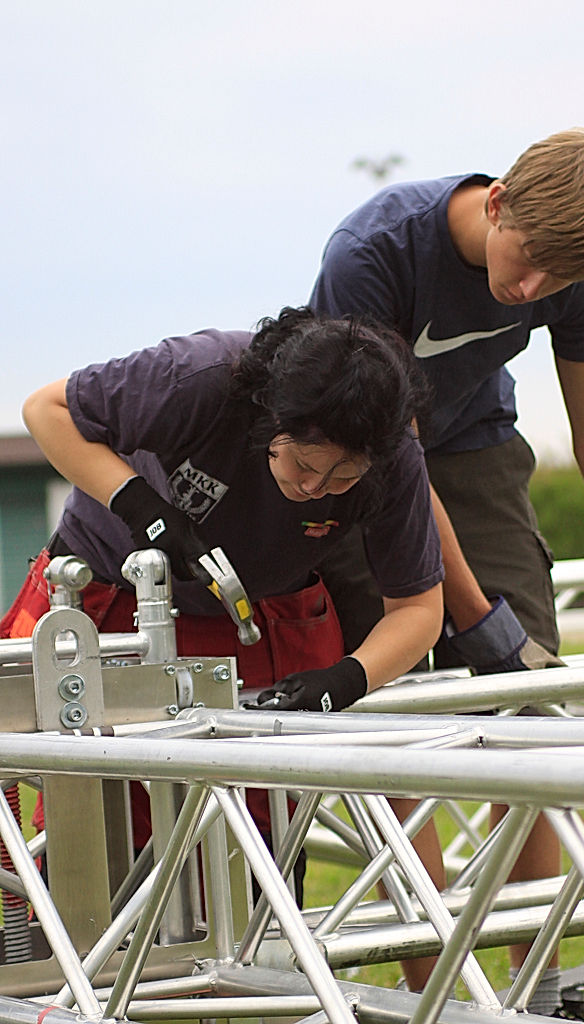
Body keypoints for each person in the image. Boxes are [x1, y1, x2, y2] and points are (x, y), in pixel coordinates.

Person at [309, 128, 584, 1015]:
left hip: (475, 447)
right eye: (526, 265)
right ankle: (446, 997)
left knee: (530, 715)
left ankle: (538, 996)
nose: (530, 291)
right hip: (362, 460)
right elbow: (395, 458)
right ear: (500, 197)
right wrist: (474, 620)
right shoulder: (374, 254)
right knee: (395, 727)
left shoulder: (571, 266)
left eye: (556, 280)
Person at [0, 306, 444, 920]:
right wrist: (145, 509)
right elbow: (46, 411)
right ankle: (87, 987)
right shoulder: (203, 373)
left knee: (259, 829)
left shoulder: (397, 456)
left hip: (260, 615)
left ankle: (250, 982)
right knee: (93, 819)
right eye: (305, 465)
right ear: (272, 420)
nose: (317, 488)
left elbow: (419, 607)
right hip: (107, 595)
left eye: (345, 476)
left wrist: (344, 680)